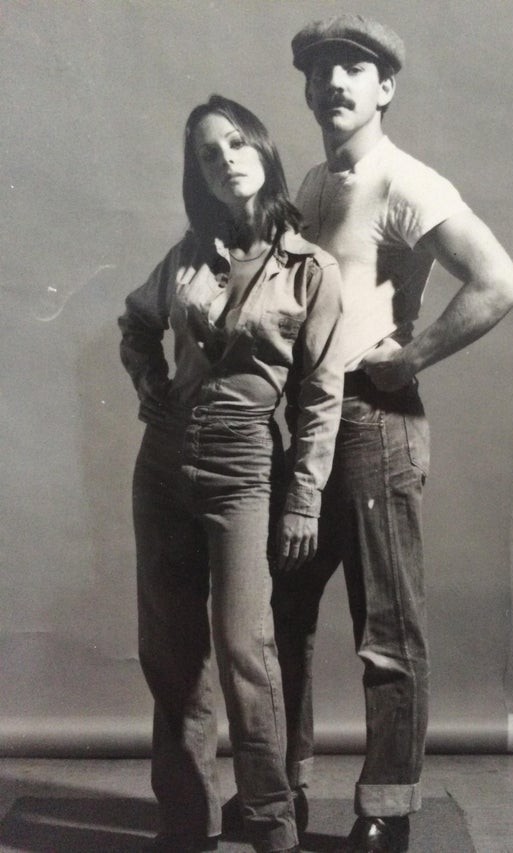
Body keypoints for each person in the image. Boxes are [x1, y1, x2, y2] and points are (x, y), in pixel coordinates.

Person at [270, 15, 513, 853]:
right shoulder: (313, 180)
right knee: (286, 614)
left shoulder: (406, 180)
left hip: (374, 423)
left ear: (385, 88)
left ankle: (387, 808)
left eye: (355, 69)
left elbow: (496, 283)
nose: (335, 83)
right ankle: (288, 787)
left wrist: (408, 357)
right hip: (307, 424)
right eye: (322, 71)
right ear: (307, 87)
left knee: (386, 628)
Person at [118, 94, 343, 853]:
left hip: (246, 466)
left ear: (263, 151)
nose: (225, 160)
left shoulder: (312, 270)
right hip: (162, 467)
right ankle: (186, 826)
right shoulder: (187, 257)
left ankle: (272, 823)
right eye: (208, 155)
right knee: (172, 654)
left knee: (247, 649)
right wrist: (149, 378)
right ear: (201, 177)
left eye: (236, 143)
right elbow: (138, 321)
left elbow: (319, 397)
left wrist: (303, 499)